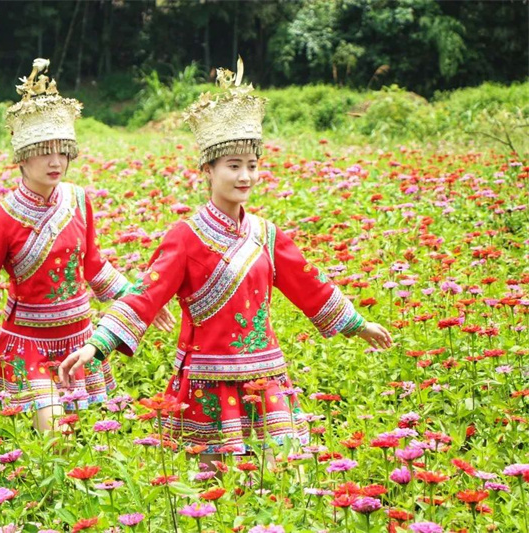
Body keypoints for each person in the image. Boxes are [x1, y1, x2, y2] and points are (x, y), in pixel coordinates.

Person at [59, 58, 392, 461]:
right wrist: (96, 345)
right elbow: (146, 295)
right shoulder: (185, 237)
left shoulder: (266, 235)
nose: (244, 176)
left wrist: (358, 324)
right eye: (233, 166)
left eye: (251, 166)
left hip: (267, 379)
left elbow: (310, 285)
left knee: (284, 474)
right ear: (208, 170)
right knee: (216, 484)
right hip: (209, 382)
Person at [0, 59, 175, 431]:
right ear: (22, 156)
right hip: (29, 345)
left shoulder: (78, 200)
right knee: (53, 433)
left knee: (75, 440)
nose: (55, 161)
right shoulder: (0, 218)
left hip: (79, 338)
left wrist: (138, 300)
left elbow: (94, 266)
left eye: (62, 151)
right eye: (44, 151)